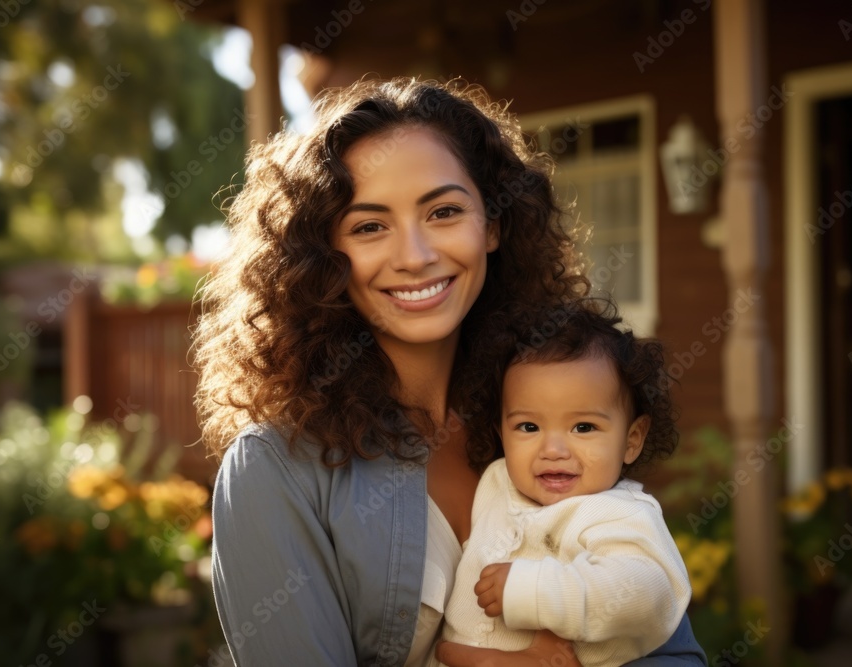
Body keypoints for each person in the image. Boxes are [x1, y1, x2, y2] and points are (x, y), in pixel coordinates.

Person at [193, 76, 707, 667]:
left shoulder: (550, 410)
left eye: (444, 211)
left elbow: (669, 644)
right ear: (324, 256)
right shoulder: (275, 469)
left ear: (492, 224)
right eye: (369, 226)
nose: (415, 256)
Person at [438, 303, 690, 667]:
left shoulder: (621, 514)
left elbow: (645, 593)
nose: (553, 450)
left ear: (632, 439)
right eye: (528, 427)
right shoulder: (496, 482)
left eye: (583, 427)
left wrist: (534, 591)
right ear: (501, 433)